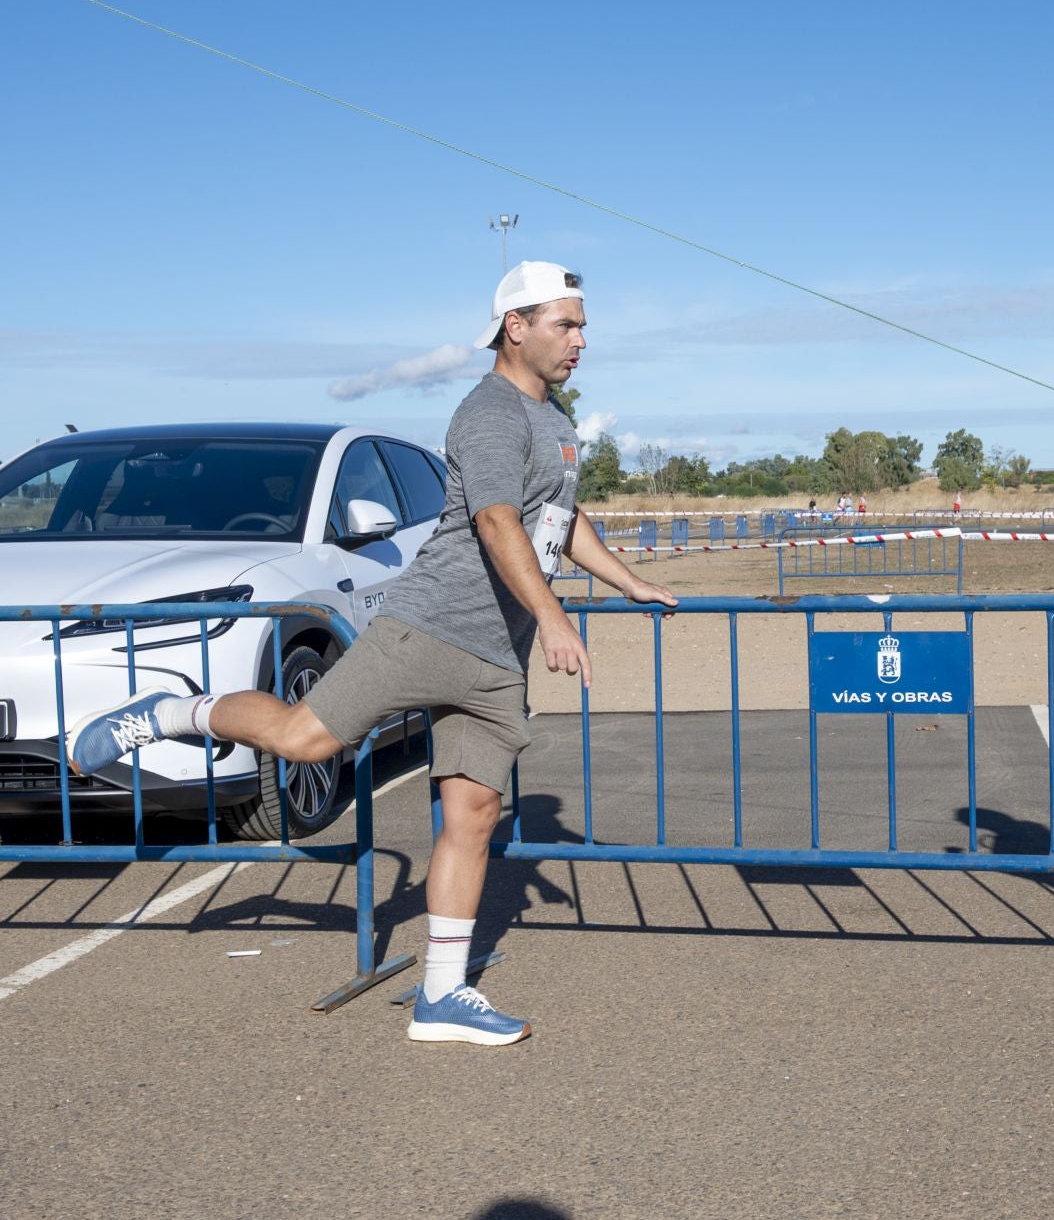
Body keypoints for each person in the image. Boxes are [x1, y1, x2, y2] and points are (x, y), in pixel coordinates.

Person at [66, 261, 679, 1045]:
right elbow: (496, 522)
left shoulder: (553, 418)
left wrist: (628, 580)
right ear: (515, 327)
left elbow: (560, 516)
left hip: (497, 654)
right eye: (567, 324)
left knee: (474, 813)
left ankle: (442, 995)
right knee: (303, 738)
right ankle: (171, 711)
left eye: (583, 324)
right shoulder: (489, 412)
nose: (582, 340)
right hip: (431, 628)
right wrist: (555, 615)